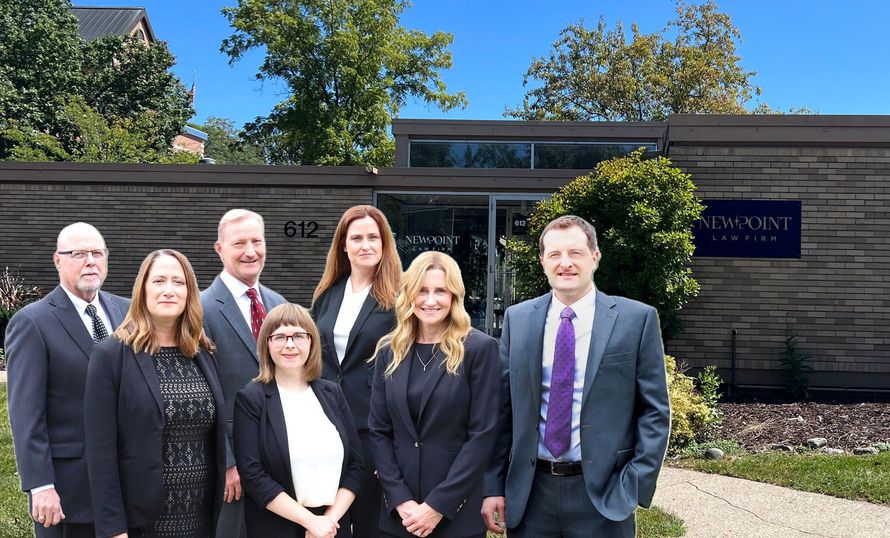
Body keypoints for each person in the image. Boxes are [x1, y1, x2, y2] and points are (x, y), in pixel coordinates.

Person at [481, 215, 671, 538]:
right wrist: (493, 486)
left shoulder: (636, 320)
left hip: (602, 497)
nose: (565, 263)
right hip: (531, 496)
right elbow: (502, 412)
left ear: (595, 257)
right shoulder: (518, 319)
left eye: (575, 253)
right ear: (542, 261)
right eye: (554, 254)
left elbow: (655, 412)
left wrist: (634, 484)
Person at [84, 249, 227, 537]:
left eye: (178, 282)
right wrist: (113, 530)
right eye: (159, 281)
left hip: (200, 516)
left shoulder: (203, 352)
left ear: (189, 293)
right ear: (143, 290)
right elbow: (100, 453)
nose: (169, 290)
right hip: (144, 521)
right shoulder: (111, 355)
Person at [5, 222, 129, 538]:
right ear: (57, 260)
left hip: (126, 484)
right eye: (78, 253)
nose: (90, 260)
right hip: (68, 491)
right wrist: (40, 485)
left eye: (97, 253)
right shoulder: (32, 322)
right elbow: (26, 414)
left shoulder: (128, 312)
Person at [369, 252, 499, 538]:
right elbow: (378, 431)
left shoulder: (479, 349)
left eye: (440, 291)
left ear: (454, 295)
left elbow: (483, 434)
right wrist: (400, 499)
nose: (430, 300)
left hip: (456, 515)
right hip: (399, 516)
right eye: (422, 291)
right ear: (409, 295)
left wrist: (437, 505)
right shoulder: (389, 351)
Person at [233, 303, 364, 537]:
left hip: (332, 528)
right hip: (277, 528)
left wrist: (327, 522)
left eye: (299, 336)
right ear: (267, 344)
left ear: (312, 342)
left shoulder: (332, 393)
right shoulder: (251, 398)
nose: (290, 344)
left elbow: (355, 465)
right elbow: (253, 475)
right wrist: (310, 522)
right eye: (280, 337)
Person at [312, 205, 401, 538]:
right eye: (357, 238)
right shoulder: (327, 294)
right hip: (327, 428)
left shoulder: (399, 298)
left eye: (373, 237)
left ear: (384, 244)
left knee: (368, 524)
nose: (366, 245)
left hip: (372, 429)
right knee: (327, 522)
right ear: (343, 246)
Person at [201, 209, 287, 538]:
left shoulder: (278, 306)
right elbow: (205, 394)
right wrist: (226, 461)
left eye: (256, 241)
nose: (250, 251)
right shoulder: (202, 309)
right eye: (239, 243)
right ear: (220, 249)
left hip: (277, 459)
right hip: (232, 464)